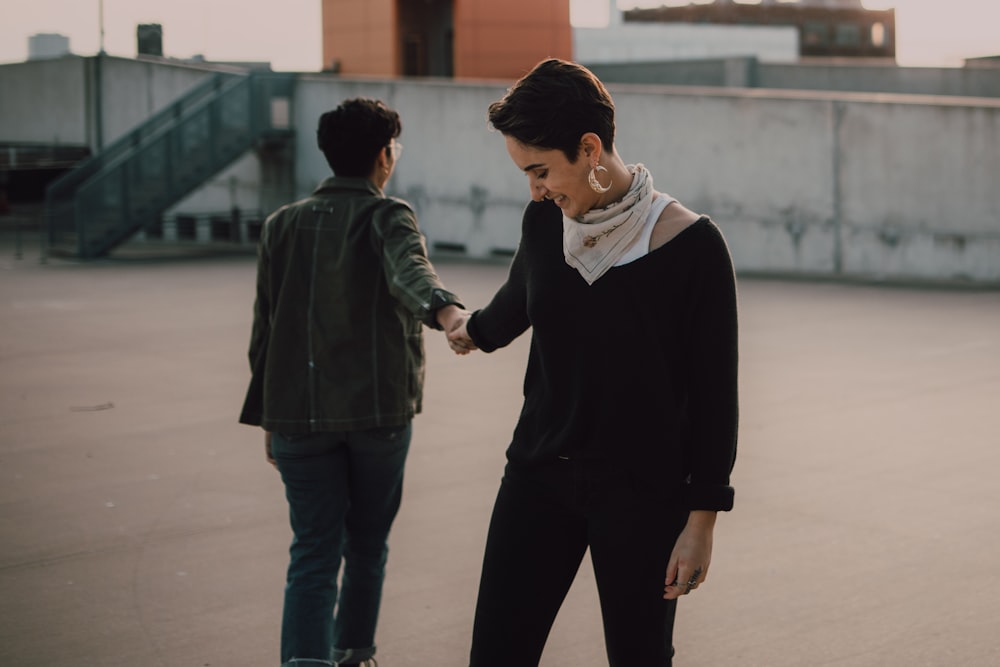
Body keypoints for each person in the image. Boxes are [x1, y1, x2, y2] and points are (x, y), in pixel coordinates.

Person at [448, 59, 739, 666]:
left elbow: (715, 397)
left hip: (644, 494)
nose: (535, 188)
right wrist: (460, 325)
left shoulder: (693, 246)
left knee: (639, 657)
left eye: (540, 170)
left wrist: (702, 521)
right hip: (537, 478)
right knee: (496, 655)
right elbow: (513, 308)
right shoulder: (543, 223)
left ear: (589, 148)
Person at [239, 98, 467, 667]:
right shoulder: (386, 215)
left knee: (312, 552)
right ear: (384, 155)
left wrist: (271, 414)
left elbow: (264, 327)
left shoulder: (280, 224)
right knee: (366, 547)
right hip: (377, 414)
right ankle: (353, 655)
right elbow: (411, 271)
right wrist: (448, 314)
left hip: (297, 415)